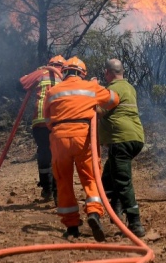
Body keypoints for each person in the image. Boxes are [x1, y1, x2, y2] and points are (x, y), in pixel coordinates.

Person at [44, 56, 120, 241]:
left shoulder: (52, 91)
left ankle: (71, 227)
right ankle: (94, 213)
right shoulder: (90, 87)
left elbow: (47, 120)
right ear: (82, 73)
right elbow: (113, 99)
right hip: (83, 136)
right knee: (90, 177)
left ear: (64, 72)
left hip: (59, 138)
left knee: (63, 180)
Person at [98, 58, 147, 237]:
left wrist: (90, 94)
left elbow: (99, 111)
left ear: (108, 73)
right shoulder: (130, 88)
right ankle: (116, 209)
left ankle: (135, 223)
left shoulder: (112, 90)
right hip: (136, 138)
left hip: (121, 140)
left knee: (123, 181)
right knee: (107, 179)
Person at [19, 55, 65, 203]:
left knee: (44, 153)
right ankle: (59, 193)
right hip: (59, 122)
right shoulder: (66, 77)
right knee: (59, 156)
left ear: (49, 64)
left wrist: (31, 76)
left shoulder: (41, 73)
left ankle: (47, 189)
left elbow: (20, 84)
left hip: (40, 122)